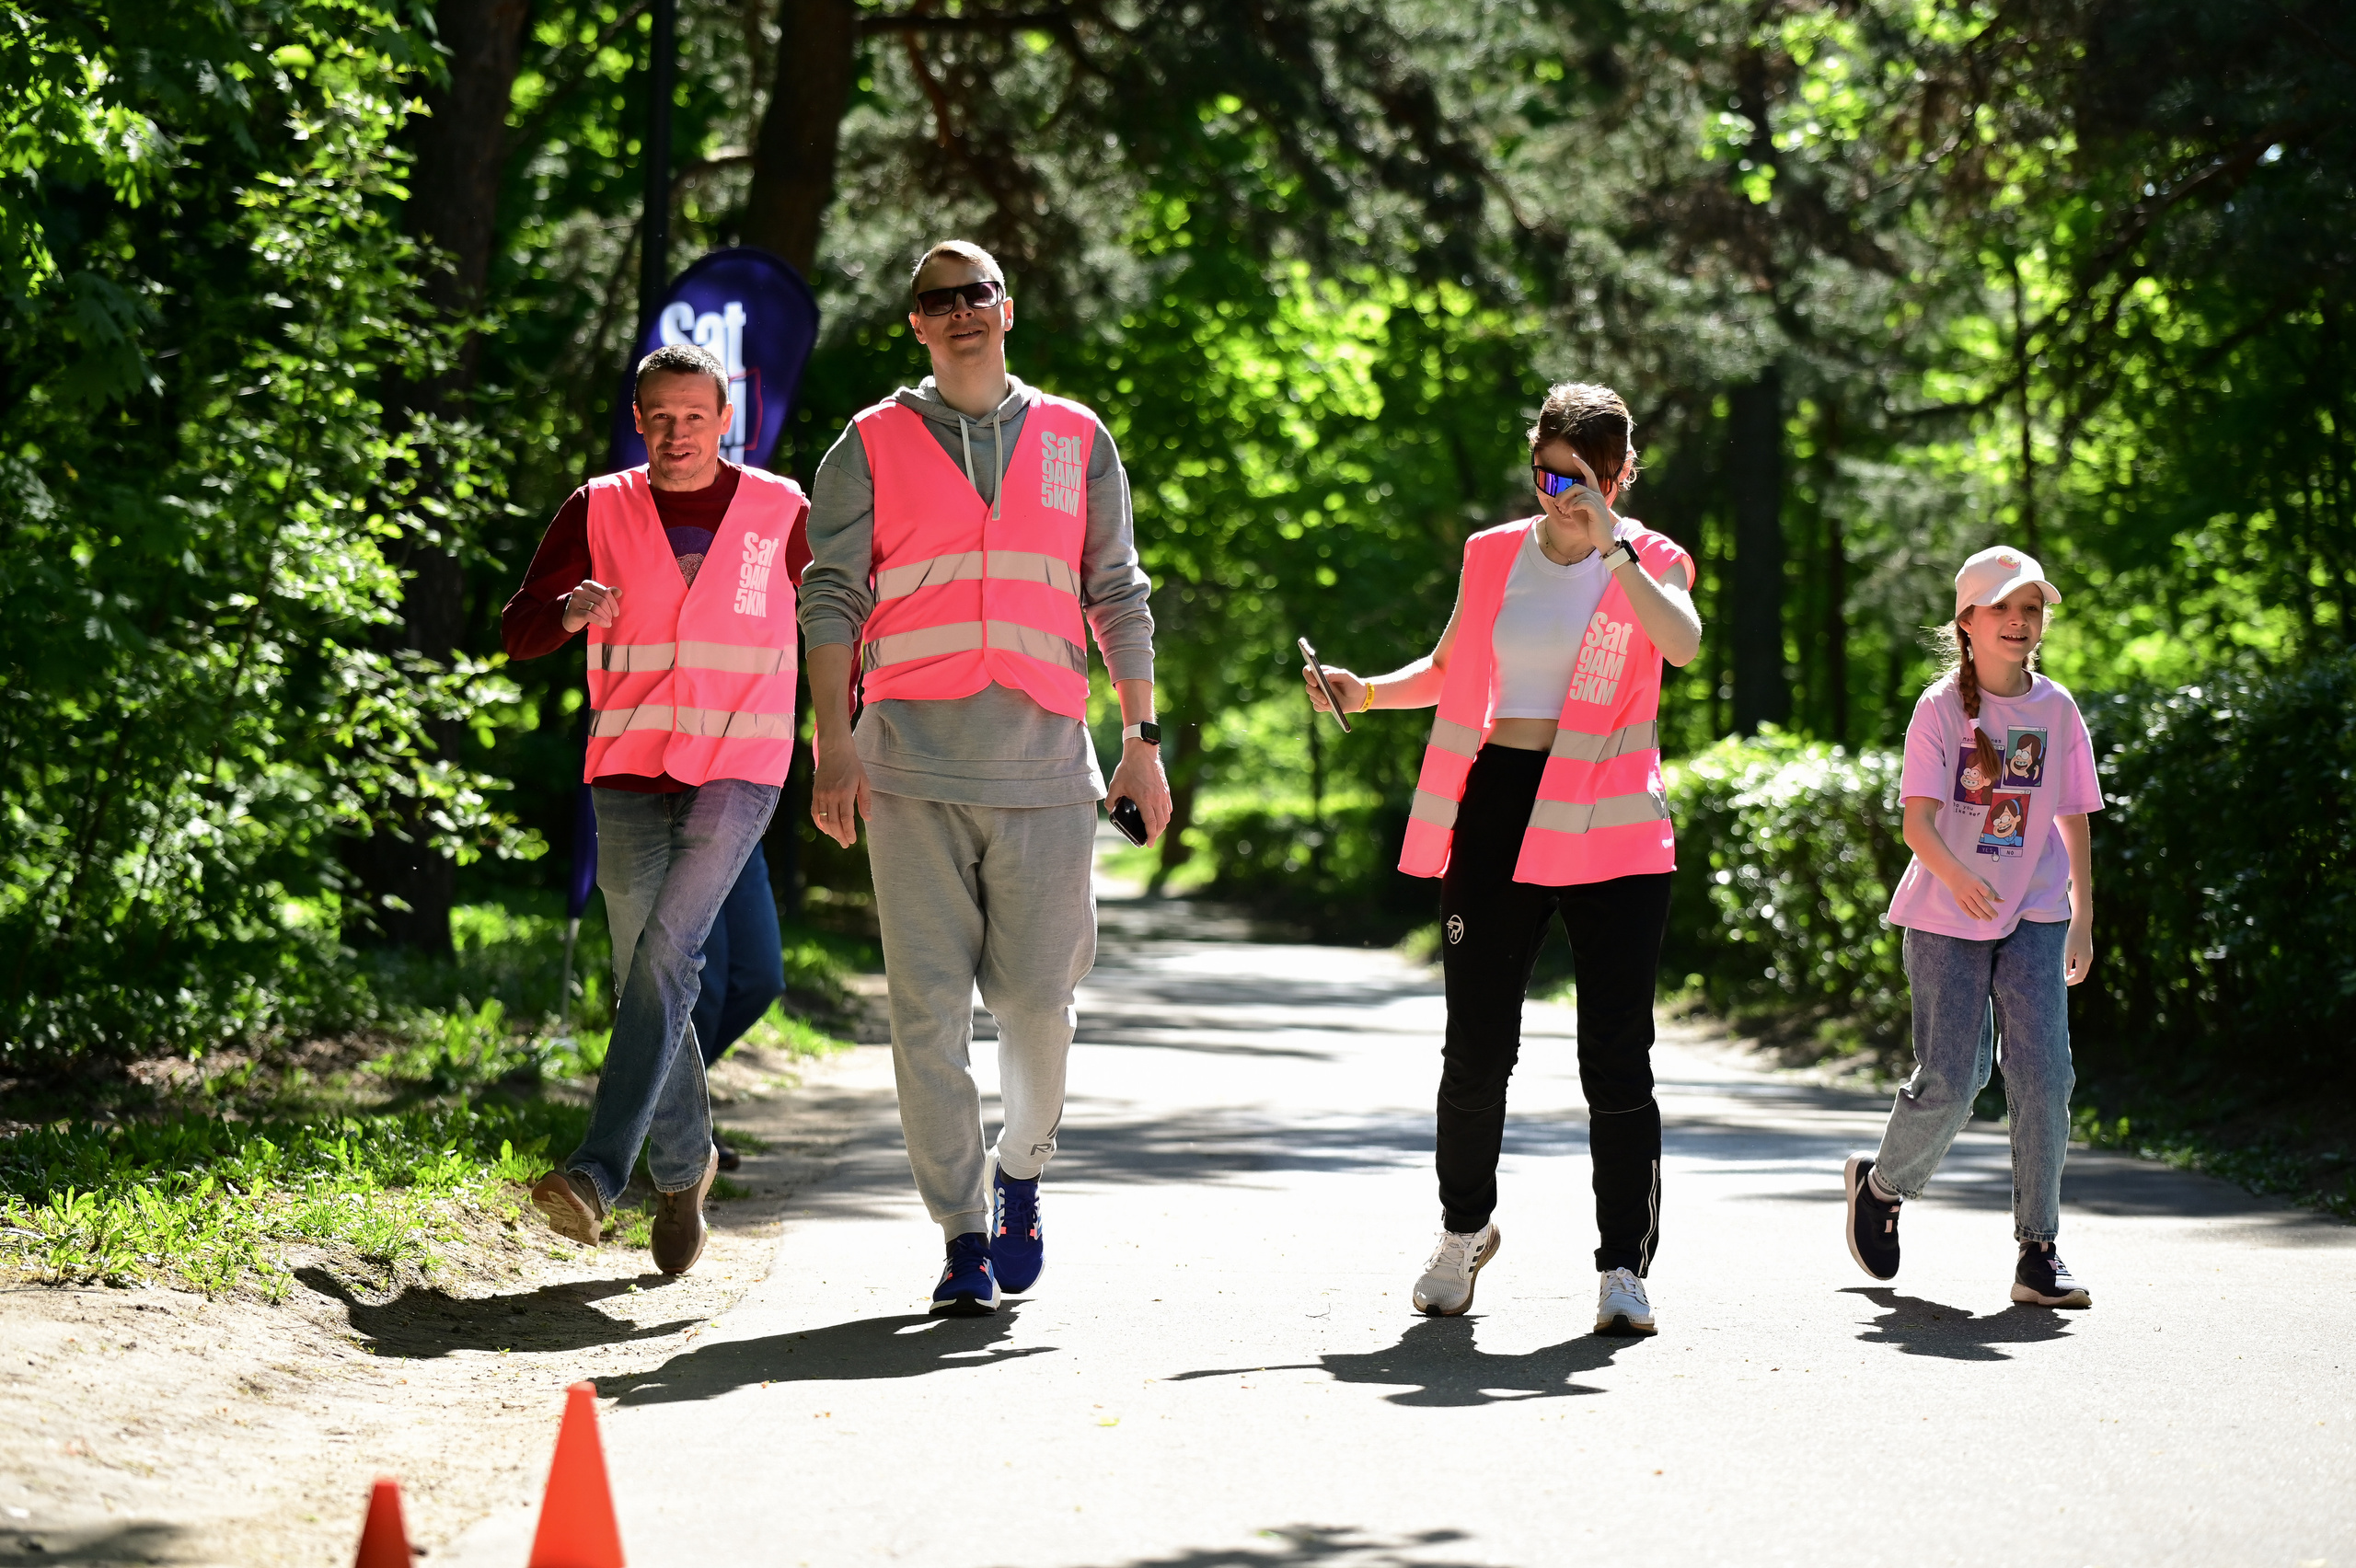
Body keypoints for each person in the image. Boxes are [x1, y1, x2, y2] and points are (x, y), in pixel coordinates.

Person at [799, 239, 1168, 1316]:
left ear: (1009, 307)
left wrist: (1143, 738)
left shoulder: (1075, 437)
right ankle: (962, 1234)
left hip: (1047, 765)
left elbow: (1118, 592)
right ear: (915, 323)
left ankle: (1021, 1172)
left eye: (977, 294)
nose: (959, 311)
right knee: (925, 1017)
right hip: (908, 762)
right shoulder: (868, 443)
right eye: (936, 300)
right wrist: (833, 739)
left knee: (1035, 1004)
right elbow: (831, 597)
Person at [1305, 382, 1703, 1336]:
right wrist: (1362, 694)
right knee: (1476, 1047)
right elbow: (1449, 672)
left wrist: (1614, 542)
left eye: (1578, 477)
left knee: (1617, 1054)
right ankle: (1462, 1231)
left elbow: (1680, 644)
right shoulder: (1491, 555)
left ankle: (1621, 1267)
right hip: (1499, 806)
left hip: (1609, 810)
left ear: (1618, 476)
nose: (1556, 492)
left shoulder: (1652, 559)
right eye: (1544, 471)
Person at [500, 341, 807, 1275]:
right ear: (639, 422)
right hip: (629, 766)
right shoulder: (598, 506)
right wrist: (565, 610)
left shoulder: (780, 509)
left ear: (726, 422)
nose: (678, 434)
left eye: (695, 417)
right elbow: (517, 628)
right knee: (649, 969)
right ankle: (684, 1168)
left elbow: (845, 617)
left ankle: (596, 1175)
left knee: (669, 954)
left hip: (741, 764)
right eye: (660, 418)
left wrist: (853, 740)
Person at [1842, 546, 2100, 1309]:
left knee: (2045, 1076)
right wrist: (1961, 881)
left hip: (2036, 911)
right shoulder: (1939, 708)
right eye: (2003, 608)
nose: (2020, 621)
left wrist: (2083, 914)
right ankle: (1883, 1188)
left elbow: (2074, 815)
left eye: (2032, 608)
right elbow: (1917, 823)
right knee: (1954, 1081)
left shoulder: (2056, 709)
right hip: (1944, 916)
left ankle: (2039, 1251)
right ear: (1968, 622)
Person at [692, 841, 787, 1172]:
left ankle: (665, 1087)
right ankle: (685, 1123)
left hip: (746, 825)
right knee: (706, 989)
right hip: (684, 818)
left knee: (762, 979)